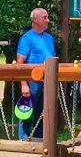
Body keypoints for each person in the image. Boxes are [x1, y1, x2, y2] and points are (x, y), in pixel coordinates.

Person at [16, 8, 56, 140]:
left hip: (48, 79)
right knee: (27, 109)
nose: (48, 20)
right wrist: (24, 84)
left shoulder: (49, 38)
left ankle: (39, 139)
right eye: (44, 17)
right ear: (35, 20)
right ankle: (23, 138)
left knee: (43, 111)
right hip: (32, 80)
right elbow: (20, 62)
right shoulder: (27, 38)